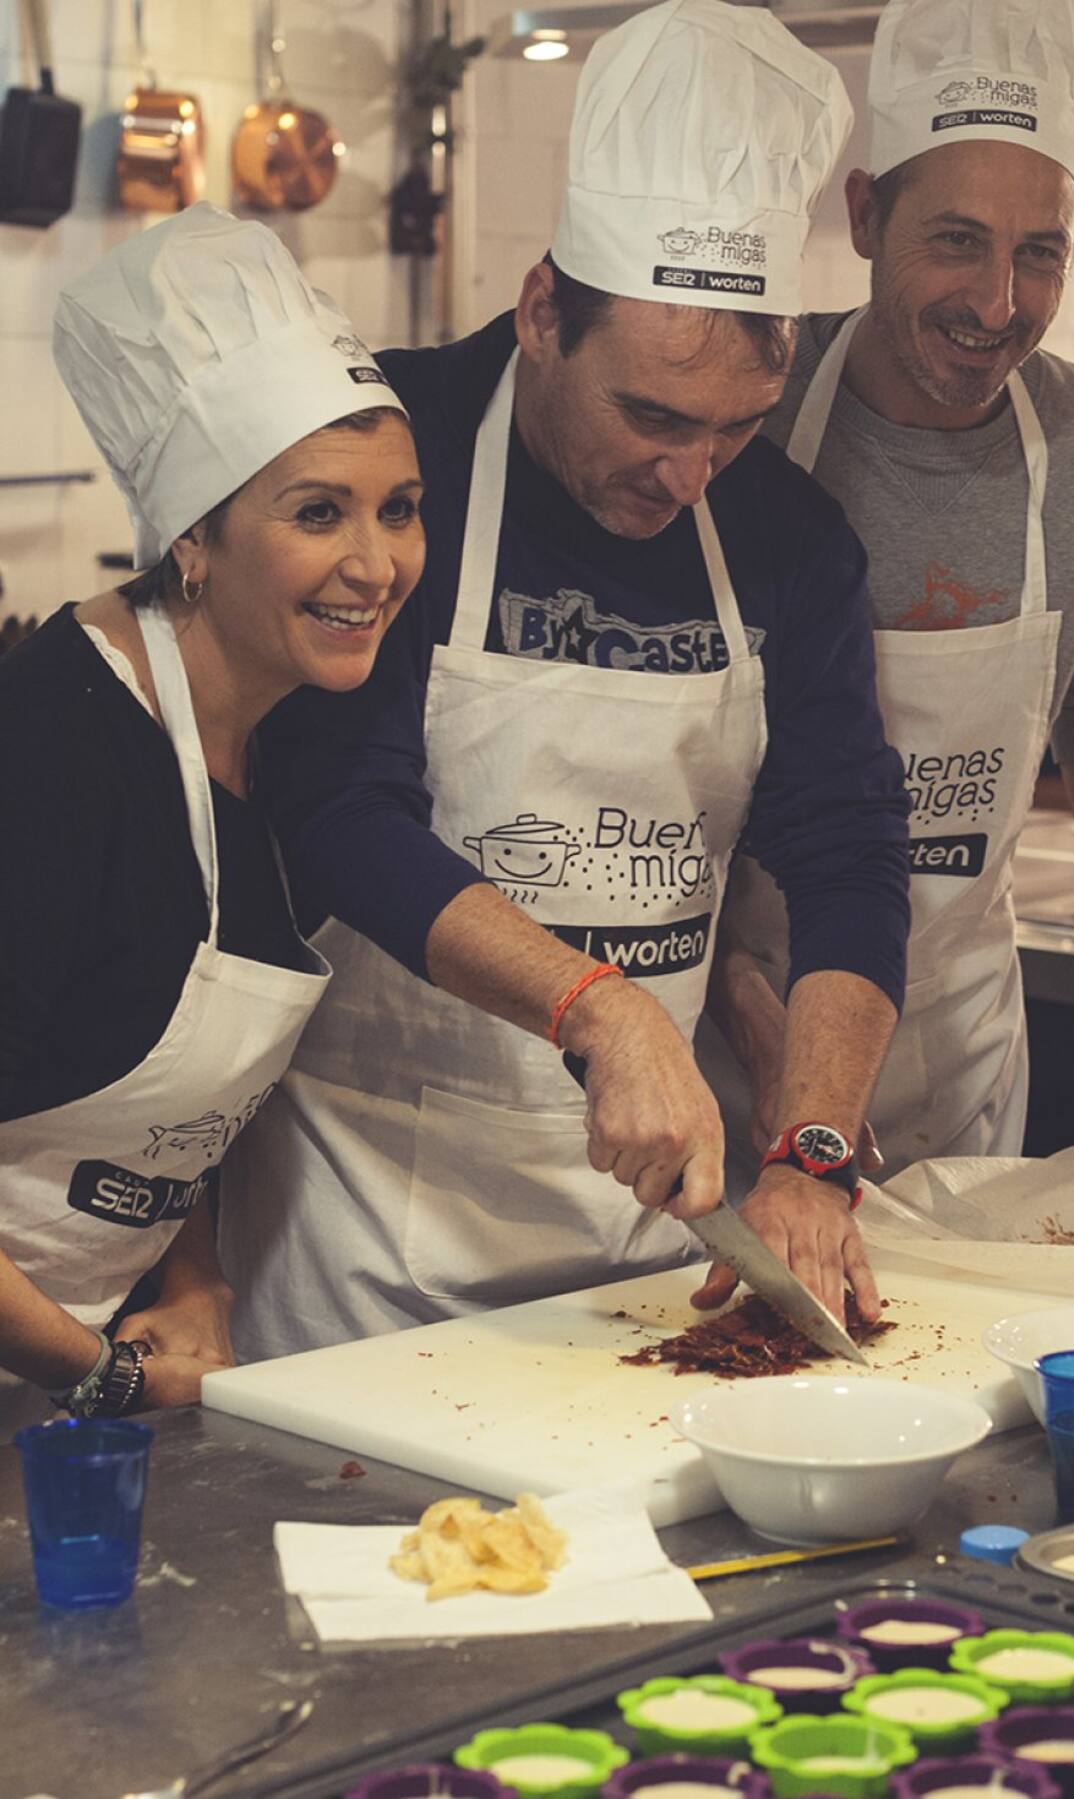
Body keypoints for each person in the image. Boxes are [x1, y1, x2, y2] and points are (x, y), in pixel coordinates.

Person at [217, 0, 911, 1359]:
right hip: (363, 1238)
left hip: (648, 1248)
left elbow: (848, 846)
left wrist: (814, 1146)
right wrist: (597, 1004)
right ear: (544, 312)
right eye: (650, 414)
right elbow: (334, 801)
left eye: (736, 427)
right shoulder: (388, 460)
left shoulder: (786, 534)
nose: (688, 474)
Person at [712, 0, 1074, 1180]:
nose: (997, 303)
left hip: (955, 1050)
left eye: (1042, 252)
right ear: (864, 215)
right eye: (957, 241)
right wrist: (732, 993)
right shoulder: (733, 423)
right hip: (717, 1041)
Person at [0, 204, 423, 1435]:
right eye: (318, 513)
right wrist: (101, 1373)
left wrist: (191, 1275)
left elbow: (153, 1108)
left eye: (399, 506)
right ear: (194, 532)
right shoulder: (55, 748)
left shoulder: (288, 732)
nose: (377, 564)